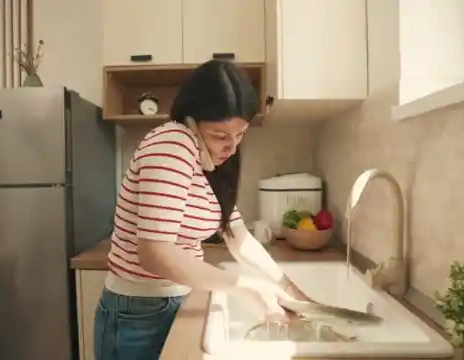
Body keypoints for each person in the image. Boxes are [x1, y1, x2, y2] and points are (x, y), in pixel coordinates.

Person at [93, 60, 311, 360]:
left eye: (240, 134)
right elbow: (155, 253)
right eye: (221, 135)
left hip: (177, 299)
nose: (232, 147)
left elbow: (238, 237)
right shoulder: (173, 143)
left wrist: (287, 287)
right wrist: (246, 286)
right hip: (139, 313)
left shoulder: (212, 158)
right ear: (191, 119)